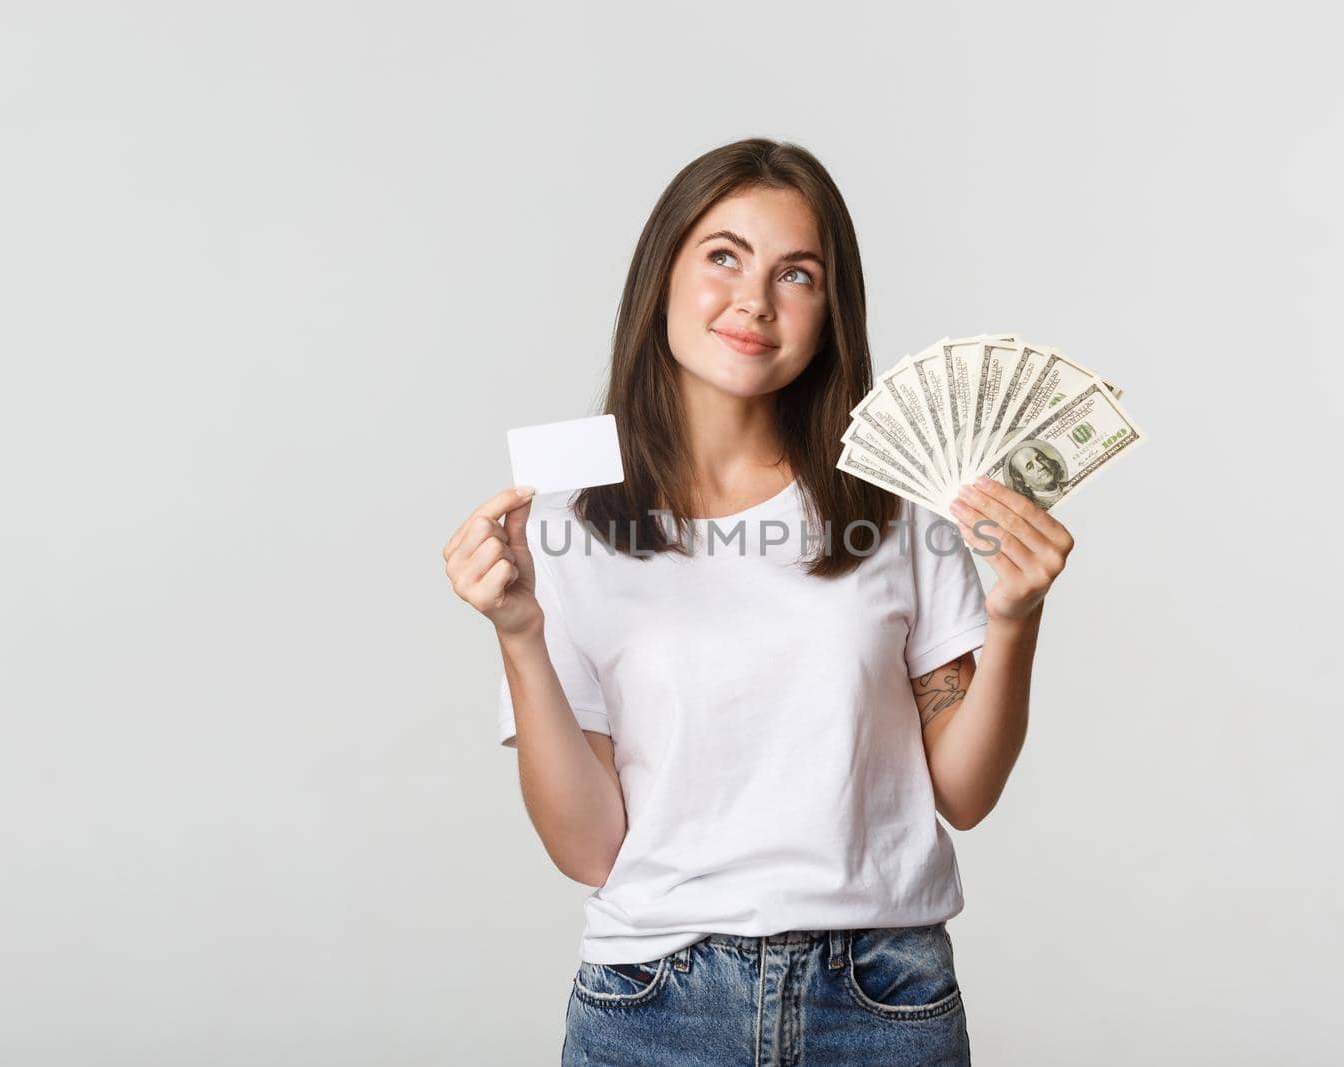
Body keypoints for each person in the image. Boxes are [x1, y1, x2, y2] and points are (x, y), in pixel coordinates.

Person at [441, 138, 1075, 1065]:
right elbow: (587, 849)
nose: (754, 300)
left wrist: (1016, 619)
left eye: (798, 274)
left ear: (830, 312)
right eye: (724, 256)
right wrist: (520, 634)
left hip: (883, 997)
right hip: (654, 1002)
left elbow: (965, 795)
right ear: (663, 273)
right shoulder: (568, 526)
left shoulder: (896, 508)